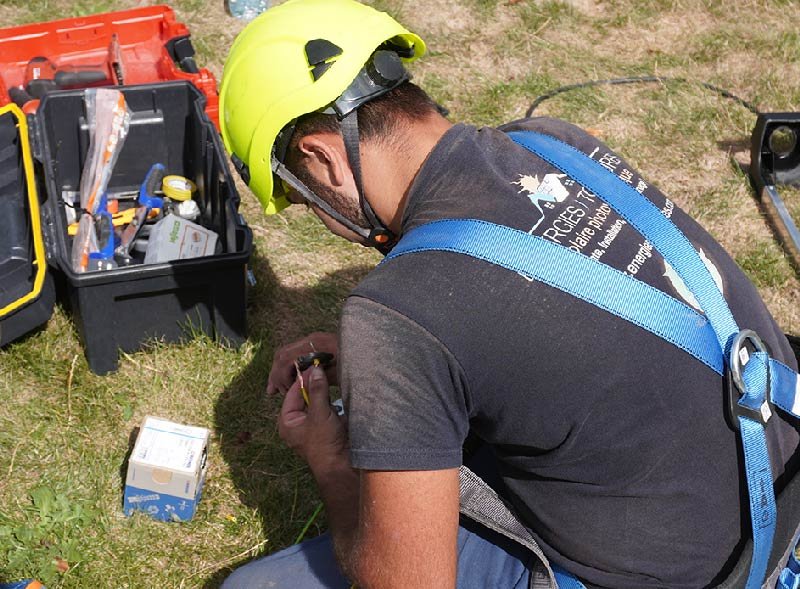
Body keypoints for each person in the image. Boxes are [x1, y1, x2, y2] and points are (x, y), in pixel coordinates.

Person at [218, 1, 800, 587]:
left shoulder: (397, 313)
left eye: (300, 199)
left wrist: (331, 461)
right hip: (779, 488)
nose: (319, 220)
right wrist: (387, 378)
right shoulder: (551, 142)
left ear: (322, 159)